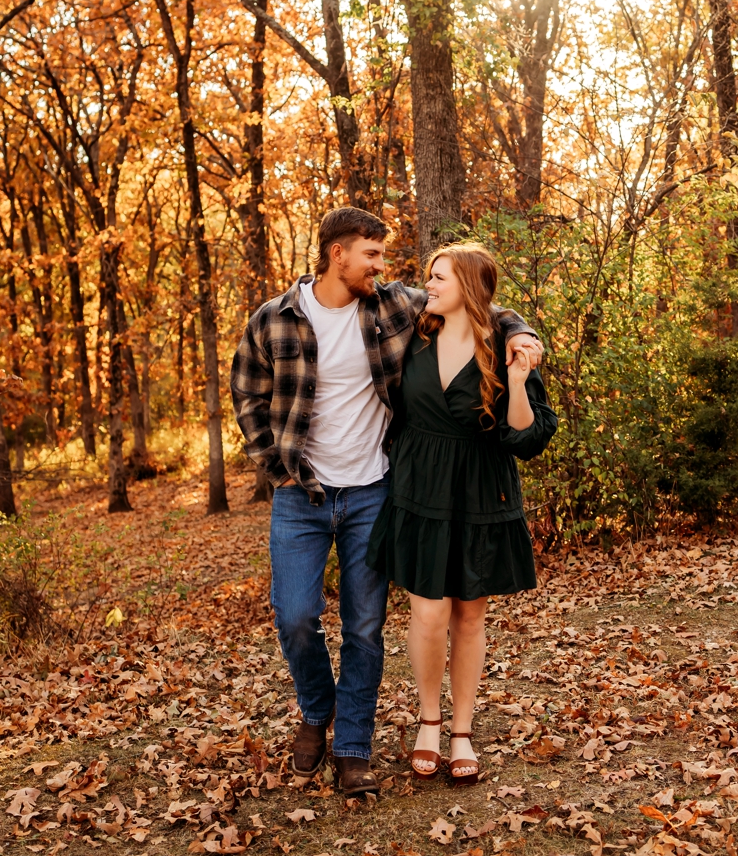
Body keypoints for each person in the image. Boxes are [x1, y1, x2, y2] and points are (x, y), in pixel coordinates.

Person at [230, 209, 543, 796]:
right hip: (303, 494)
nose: (382, 266)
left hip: (375, 488)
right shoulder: (275, 319)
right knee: (296, 617)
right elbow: (246, 389)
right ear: (336, 254)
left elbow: (475, 299)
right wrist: (275, 466)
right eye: (370, 255)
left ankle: (352, 746)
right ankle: (316, 712)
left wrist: (522, 329)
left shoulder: (391, 307)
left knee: (366, 626)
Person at [367, 242, 557, 785]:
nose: (429, 284)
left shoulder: (505, 347)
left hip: (480, 489)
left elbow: (526, 437)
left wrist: (517, 383)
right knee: (428, 614)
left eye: (440, 277)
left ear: (469, 286)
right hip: (419, 487)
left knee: (470, 615)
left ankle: (462, 732)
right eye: (429, 275)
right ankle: (429, 722)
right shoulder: (413, 335)